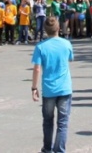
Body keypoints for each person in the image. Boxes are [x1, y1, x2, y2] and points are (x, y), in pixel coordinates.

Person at [31, 17, 74, 153]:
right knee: (63, 123)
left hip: (49, 89)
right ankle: (60, 150)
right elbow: (70, 59)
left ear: (45, 30)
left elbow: (37, 68)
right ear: (58, 29)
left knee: (48, 121)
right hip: (64, 88)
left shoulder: (41, 46)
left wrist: (34, 87)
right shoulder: (66, 44)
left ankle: (47, 149)